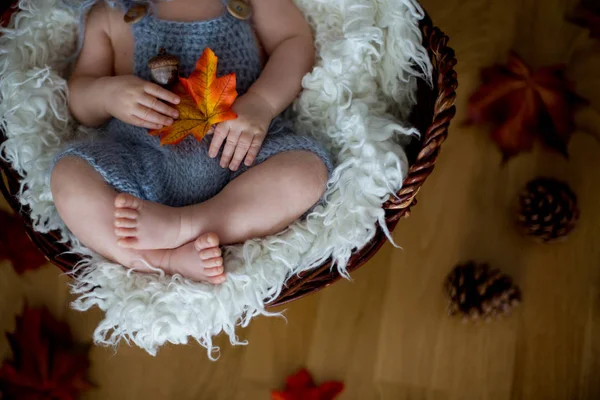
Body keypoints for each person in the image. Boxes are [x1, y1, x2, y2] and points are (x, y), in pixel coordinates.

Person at [50, 0, 333, 283]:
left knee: (307, 171)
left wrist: (262, 102)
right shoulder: (111, 15)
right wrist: (105, 94)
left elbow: (294, 43)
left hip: (237, 156)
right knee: (68, 175)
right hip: (139, 164)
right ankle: (159, 259)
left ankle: (189, 224)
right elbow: (81, 99)